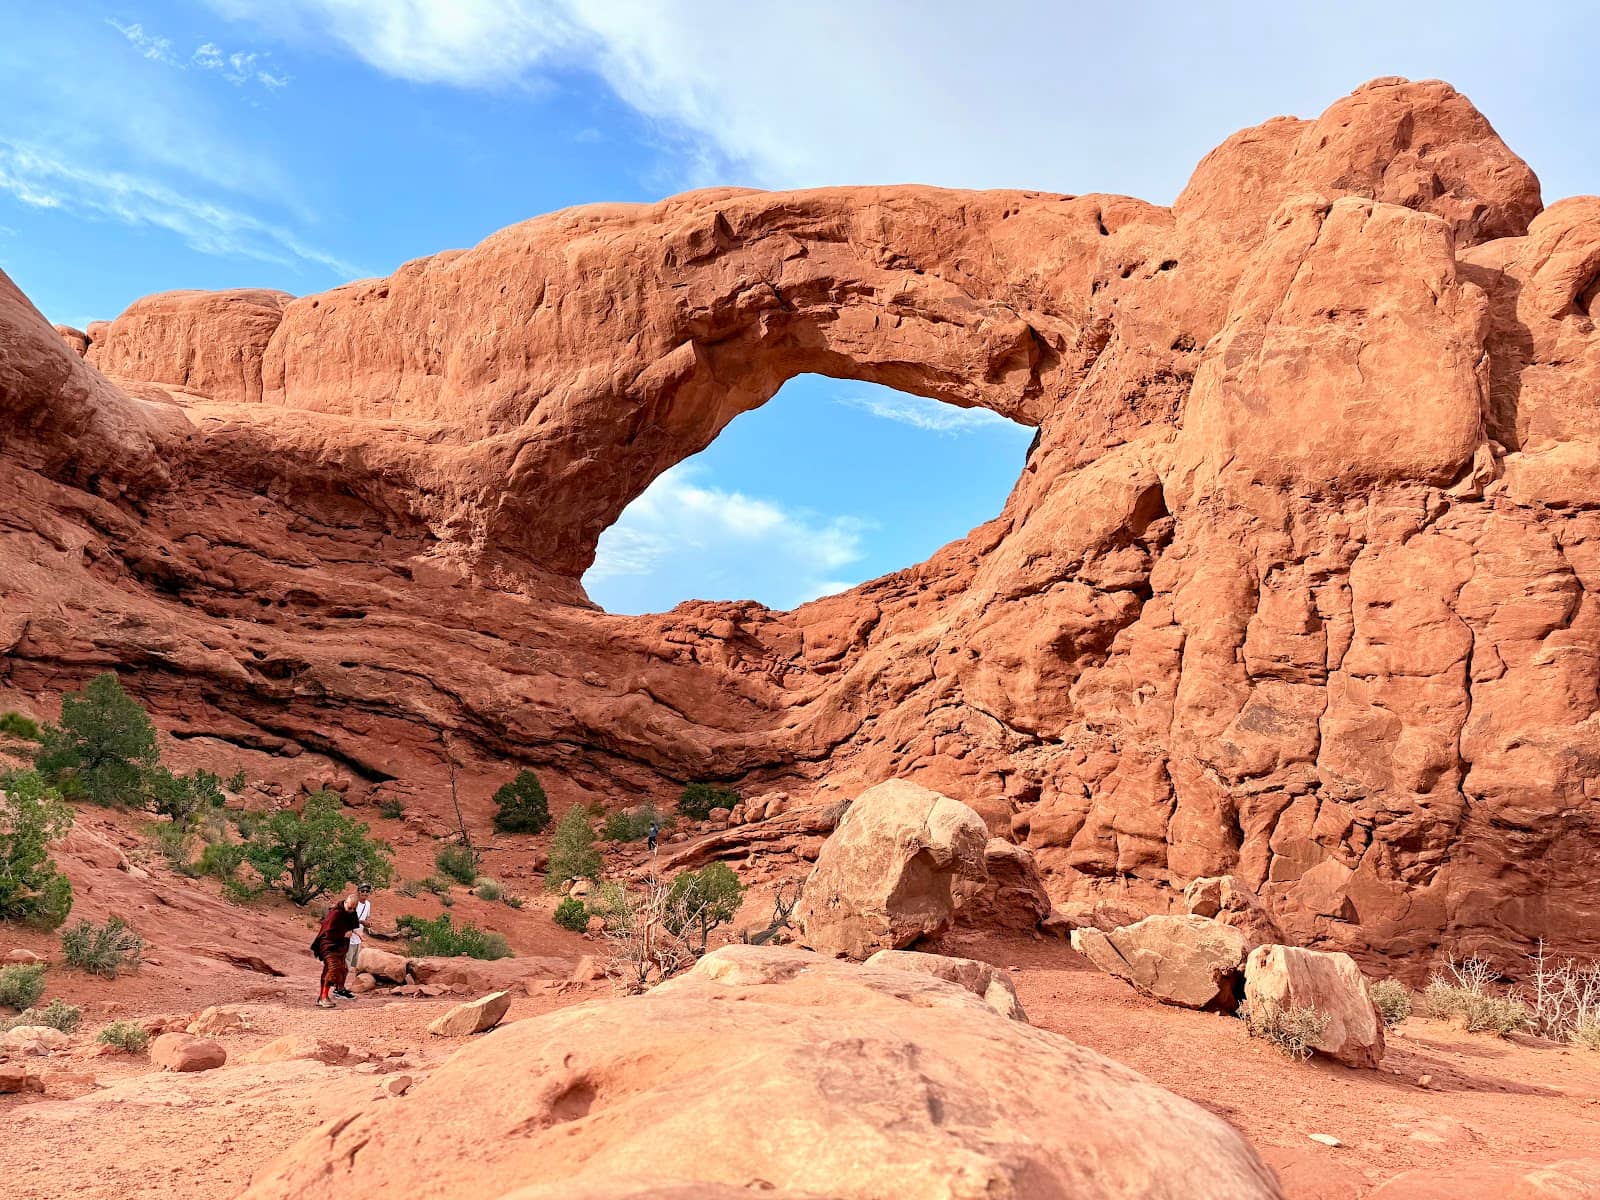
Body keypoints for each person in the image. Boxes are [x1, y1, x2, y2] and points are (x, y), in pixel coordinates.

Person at [312, 893, 361, 1008]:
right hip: (329, 945)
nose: (351, 911)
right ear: (345, 903)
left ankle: (323, 996)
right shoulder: (335, 913)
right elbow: (328, 931)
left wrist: (353, 932)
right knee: (333, 968)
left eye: (354, 909)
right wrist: (343, 933)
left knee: (338, 969)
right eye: (350, 908)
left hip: (340, 946)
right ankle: (324, 997)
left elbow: (351, 926)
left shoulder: (352, 913)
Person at [347, 883, 373, 973]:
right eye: (363, 891)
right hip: (348, 937)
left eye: (367, 891)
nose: (365, 893)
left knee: (354, 965)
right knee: (346, 963)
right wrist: (362, 922)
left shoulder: (368, 904)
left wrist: (368, 924)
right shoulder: (353, 902)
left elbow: (367, 917)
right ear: (358, 891)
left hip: (358, 938)